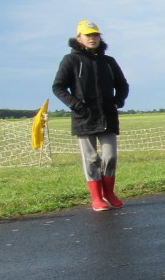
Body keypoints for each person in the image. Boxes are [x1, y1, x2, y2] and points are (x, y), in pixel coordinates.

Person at [52, 20, 130, 211]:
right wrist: (76, 105)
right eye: (88, 35)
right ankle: (96, 197)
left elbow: (122, 85)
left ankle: (109, 193)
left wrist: (117, 101)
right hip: (84, 117)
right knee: (91, 158)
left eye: (95, 35)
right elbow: (58, 87)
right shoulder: (70, 60)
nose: (92, 38)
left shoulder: (109, 61)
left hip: (108, 116)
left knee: (109, 157)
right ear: (79, 38)